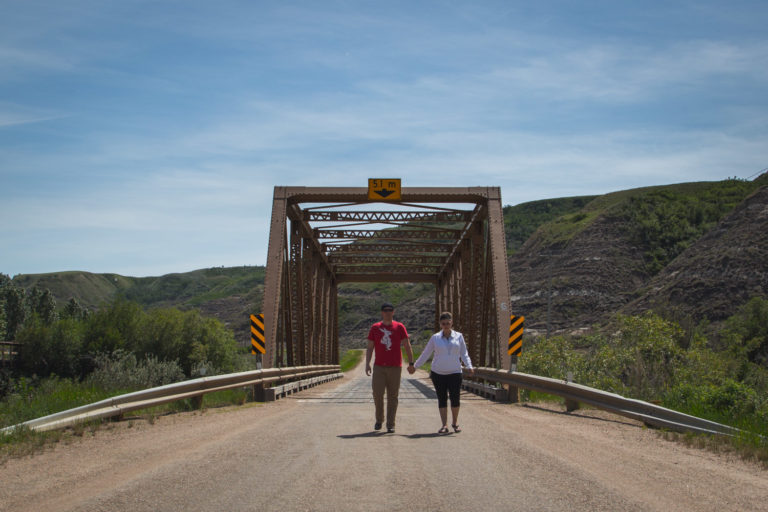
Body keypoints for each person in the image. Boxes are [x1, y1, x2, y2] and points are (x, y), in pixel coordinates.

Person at [409, 312, 473, 434]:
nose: (446, 325)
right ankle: (444, 425)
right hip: (438, 373)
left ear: (451, 323)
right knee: (442, 398)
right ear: (440, 324)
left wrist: (469, 366)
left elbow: (464, 353)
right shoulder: (435, 338)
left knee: (455, 398)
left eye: (448, 323)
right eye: (443, 324)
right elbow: (426, 353)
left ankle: (455, 422)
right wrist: (415, 366)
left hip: (455, 372)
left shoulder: (459, 336)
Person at [365, 302, 414, 434]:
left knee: (393, 396)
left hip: (395, 367)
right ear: (382, 312)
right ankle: (379, 419)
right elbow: (370, 347)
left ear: (393, 312)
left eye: (390, 310)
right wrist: (367, 363)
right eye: (385, 310)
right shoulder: (375, 327)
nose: (387, 312)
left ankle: (390, 424)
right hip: (379, 367)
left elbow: (407, 345)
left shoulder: (399, 327)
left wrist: (411, 363)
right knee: (377, 394)